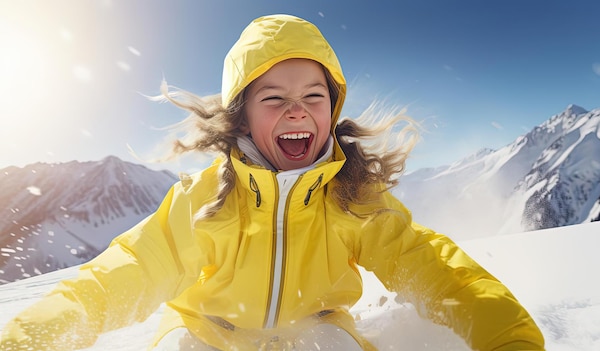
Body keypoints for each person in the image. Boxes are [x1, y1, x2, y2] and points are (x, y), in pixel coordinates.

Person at [0, 14, 545, 351]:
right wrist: (36, 336)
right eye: (273, 98)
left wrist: (508, 337)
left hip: (318, 332)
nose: (297, 111)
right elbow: (130, 271)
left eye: (314, 96)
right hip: (207, 335)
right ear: (241, 117)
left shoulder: (353, 199)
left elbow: (432, 266)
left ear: (333, 110)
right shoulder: (205, 200)